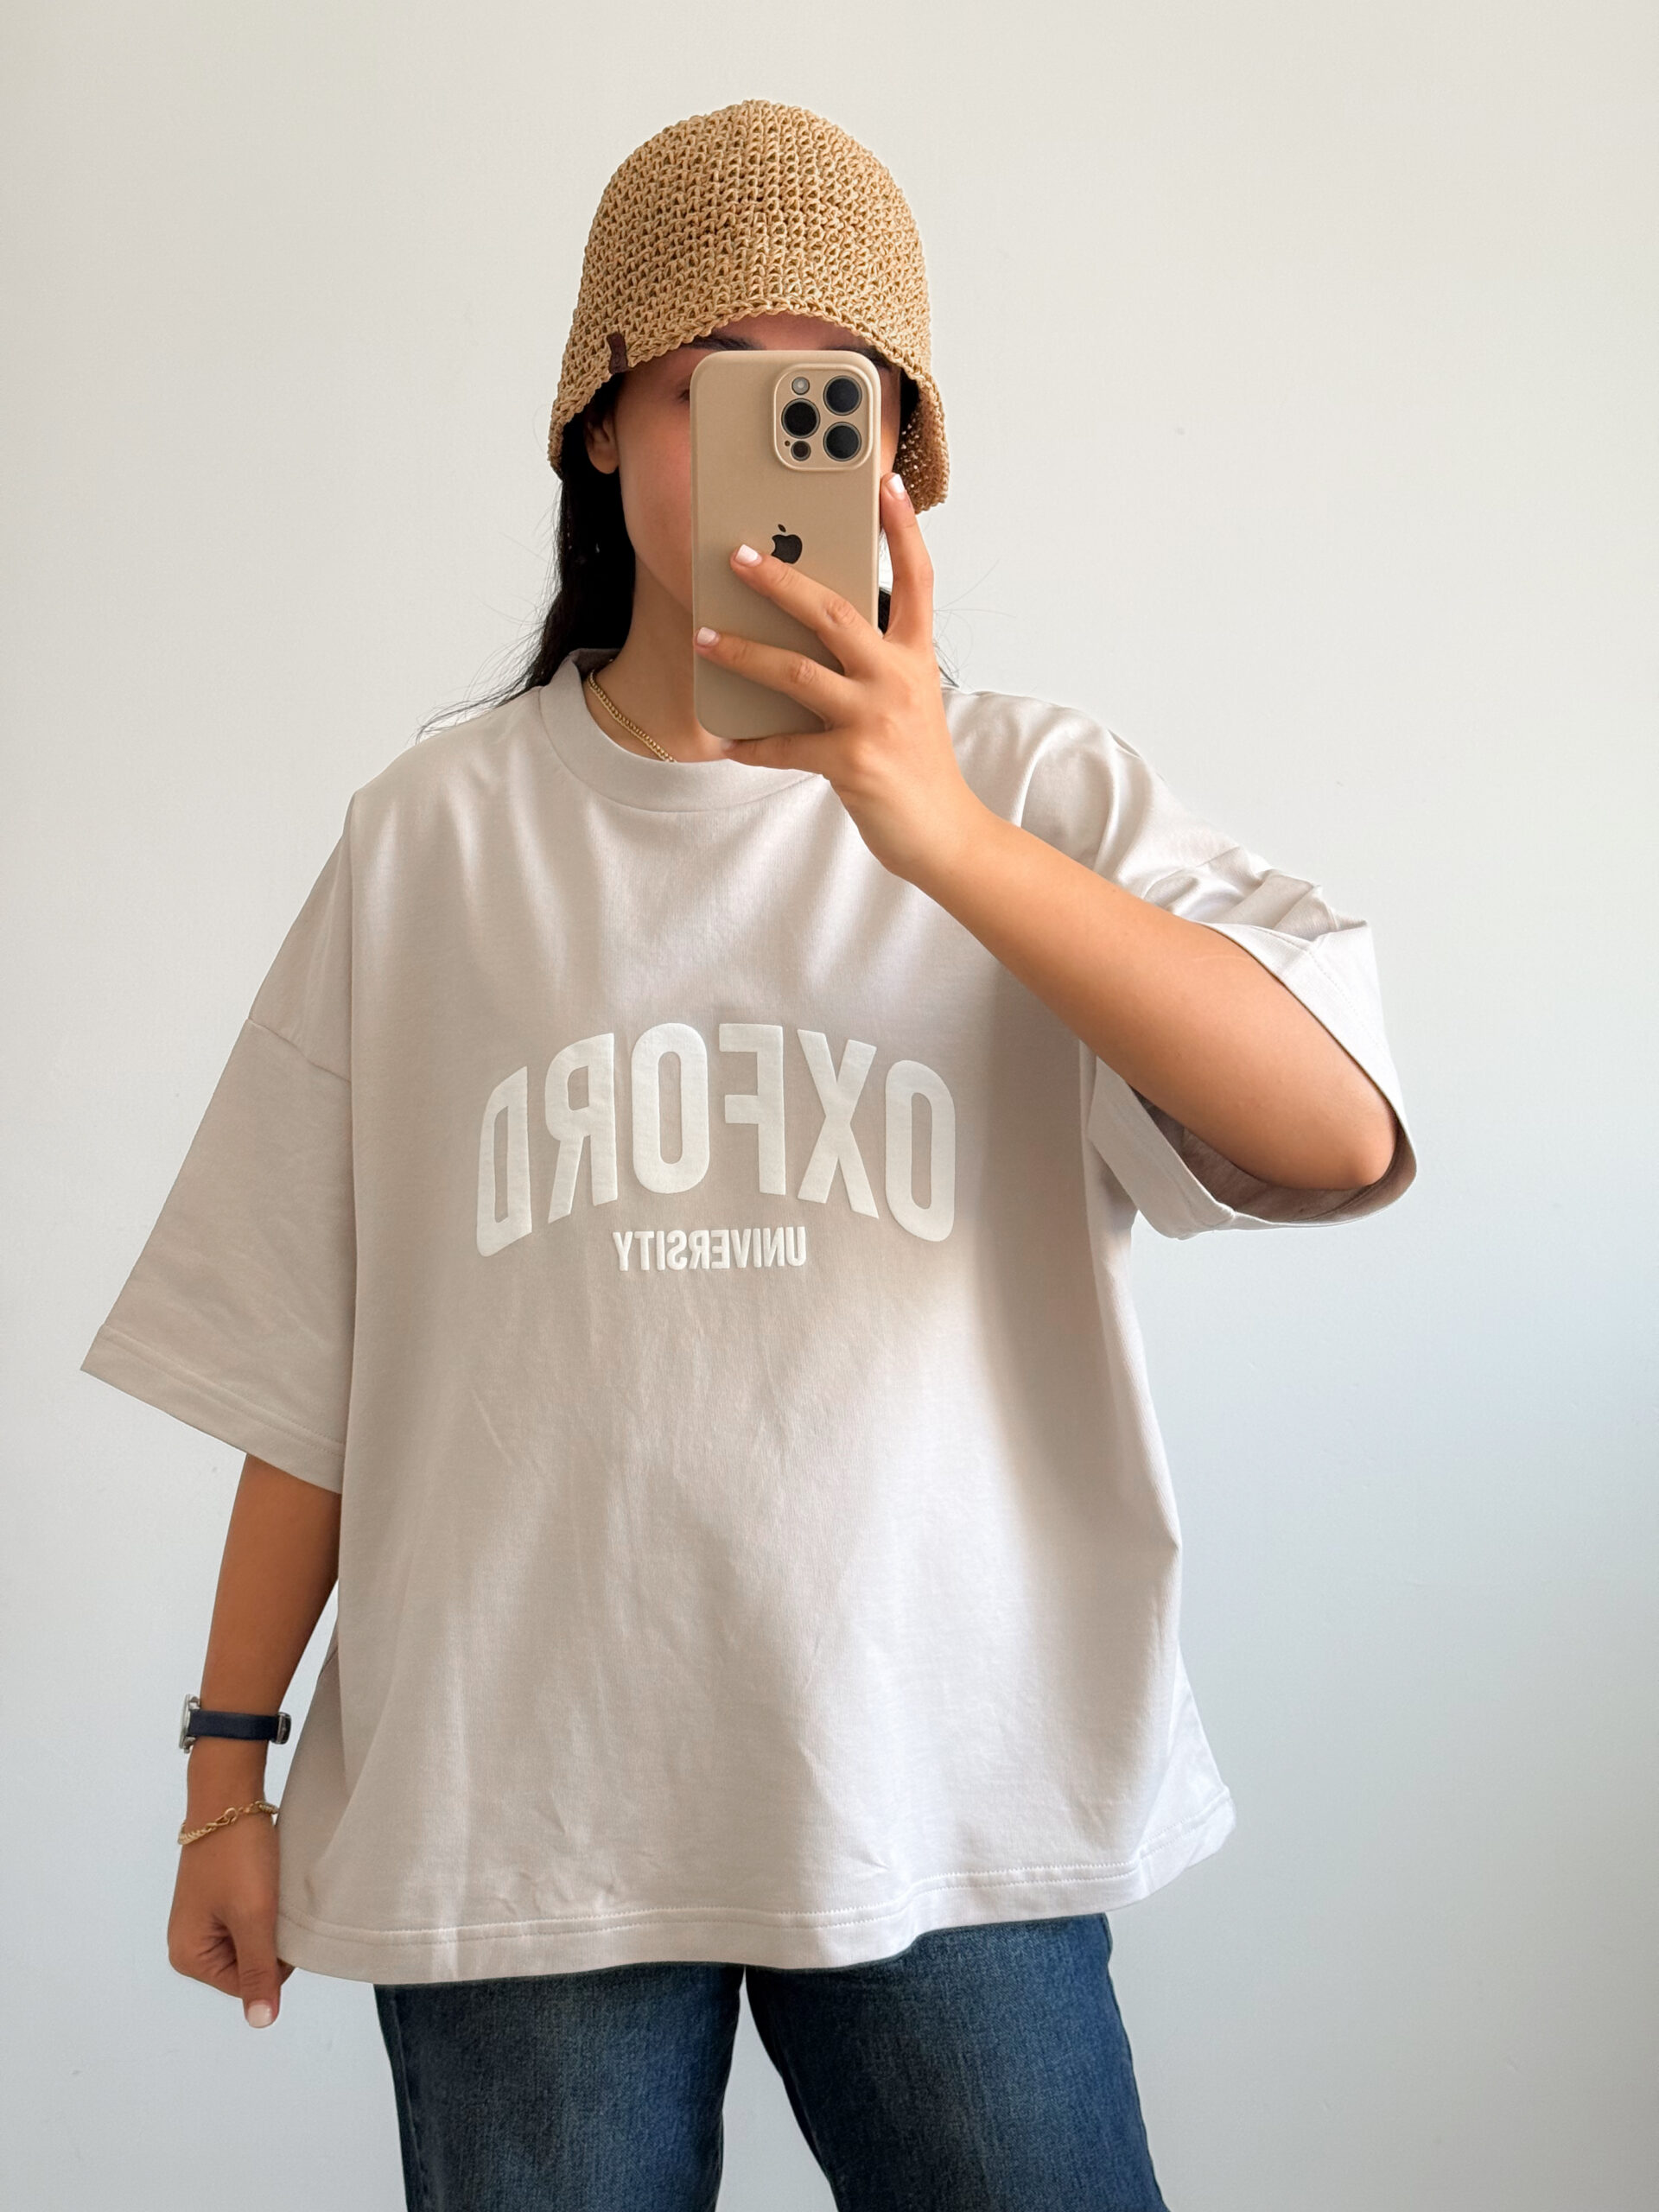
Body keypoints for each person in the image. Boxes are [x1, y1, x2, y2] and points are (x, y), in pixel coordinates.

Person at [81, 98, 1416, 2211]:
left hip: (947, 1786)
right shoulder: (434, 841)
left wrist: (939, 832)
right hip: (516, 1816)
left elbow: (1338, 1131)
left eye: (835, 392)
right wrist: (223, 1770)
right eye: (714, 377)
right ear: (602, 424)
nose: (776, 437)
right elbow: (307, 1353)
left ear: (900, 457)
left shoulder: (1029, 793)